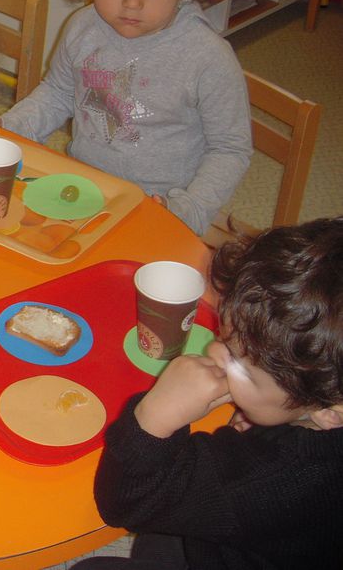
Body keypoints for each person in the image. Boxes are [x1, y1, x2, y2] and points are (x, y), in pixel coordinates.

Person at [72, 217, 343, 570]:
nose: (215, 352)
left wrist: (155, 416)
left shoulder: (260, 481)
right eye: (225, 340)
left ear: (331, 413)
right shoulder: (325, 408)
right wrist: (265, 413)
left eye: (240, 364)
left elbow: (121, 503)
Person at [0, 0, 252, 236]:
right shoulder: (83, 26)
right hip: (84, 191)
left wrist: (190, 208)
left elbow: (231, 148)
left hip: (161, 210)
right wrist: (13, 126)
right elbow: (57, 93)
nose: (133, 1)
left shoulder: (208, 57)